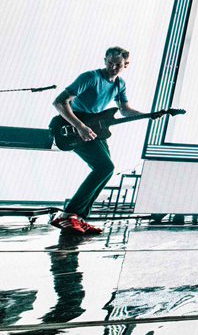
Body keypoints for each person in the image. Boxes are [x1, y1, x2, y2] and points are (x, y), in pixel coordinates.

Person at [50, 47, 163, 235]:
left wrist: (148, 115)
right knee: (105, 167)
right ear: (104, 60)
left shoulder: (120, 84)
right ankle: (67, 215)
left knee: (106, 170)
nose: (113, 67)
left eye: (118, 64)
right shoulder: (90, 77)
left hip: (93, 128)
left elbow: (125, 110)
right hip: (72, 127)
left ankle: (78, 218)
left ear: (126, 65)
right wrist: (80, 126)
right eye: (109, 63)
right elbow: (59, 101)